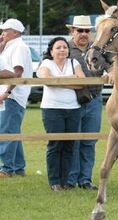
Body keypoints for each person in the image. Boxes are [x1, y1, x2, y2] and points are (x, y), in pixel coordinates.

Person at [66, 15, 110, 190]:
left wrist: (111, 72)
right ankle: (70, 179)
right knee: (72, 140)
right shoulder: (64, 47)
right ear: (72, 31)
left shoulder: (98, 49)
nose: (84, 34)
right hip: (72, 99)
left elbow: (111, 66)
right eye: (80, 30)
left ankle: (85, 179)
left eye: (87, 30)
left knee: (89, 141)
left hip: (93, 99)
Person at [37, 37, 85, 191]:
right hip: (52, 109)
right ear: (51, 51)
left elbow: (82, 82)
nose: (62, 50)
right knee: (55, 144)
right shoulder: (46, 63)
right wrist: (71, 80)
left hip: (73, 109)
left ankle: (65, 181)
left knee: (69, 145)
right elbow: (47, 80)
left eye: (65, 47)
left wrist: (57, 81)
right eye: (58, 47)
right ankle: (54, 182)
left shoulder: (74, 63)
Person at [0, 18, 33, 178]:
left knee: (7, 131)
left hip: (12, 95)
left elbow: (17, 72)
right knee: (13, 130)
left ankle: (7, 168)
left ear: (15, 32)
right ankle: (18, 167)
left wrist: (7, 92)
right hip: (12, 95)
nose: (3, 33)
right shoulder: (11, 46)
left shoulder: (18, 47)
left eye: (5, 30)